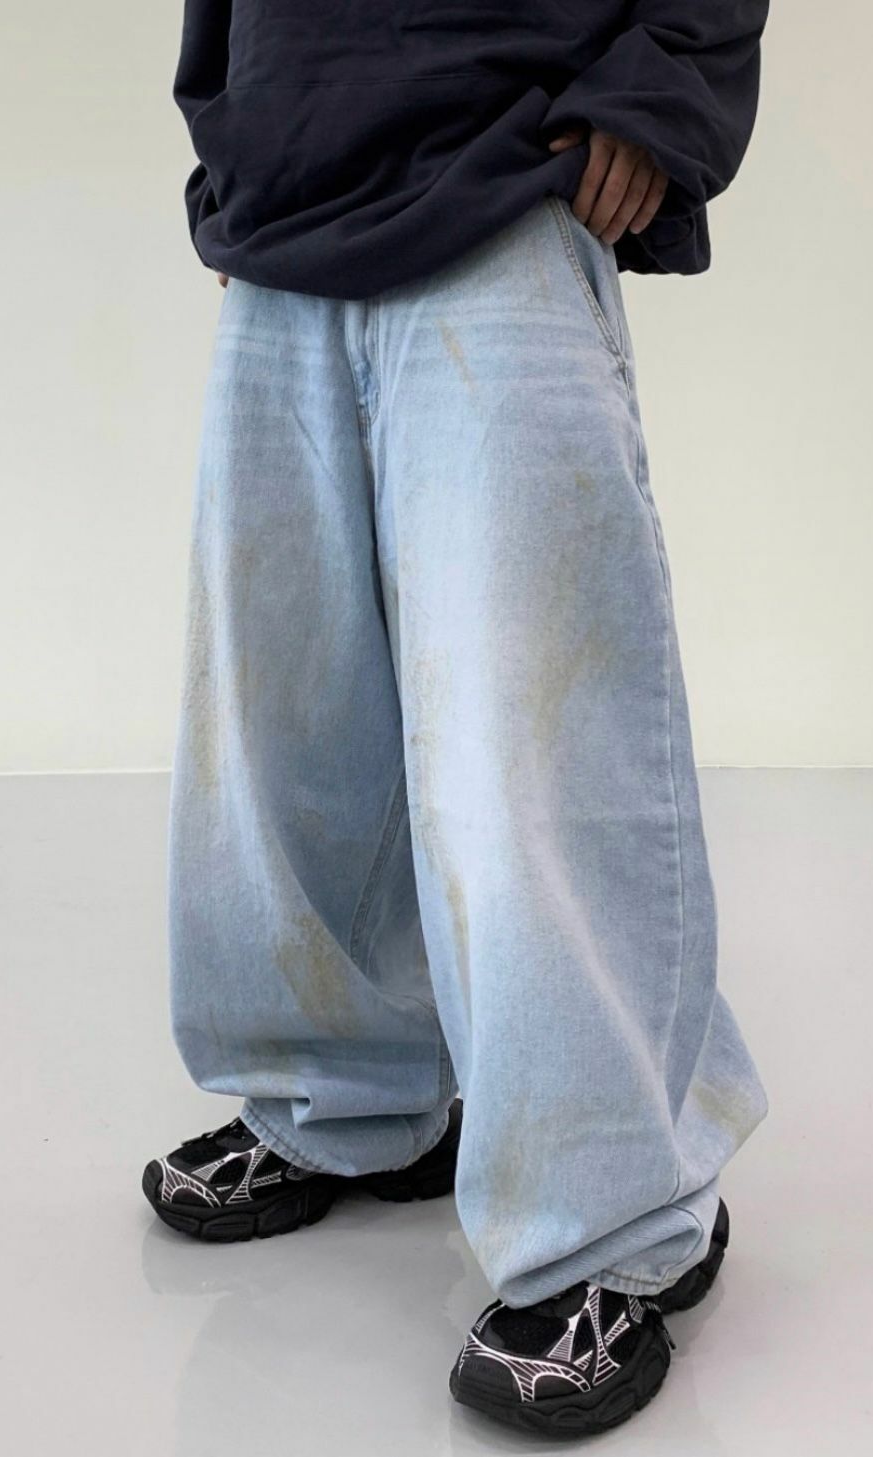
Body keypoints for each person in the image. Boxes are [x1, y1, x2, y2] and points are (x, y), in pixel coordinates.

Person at [144, 0, 770, 1435]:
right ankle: (343, 1098)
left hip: (506, 167)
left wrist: (659, 85)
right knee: (284, 722)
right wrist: (232, 125)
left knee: (530, 749)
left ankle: (620, 1222)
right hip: (286, 200)